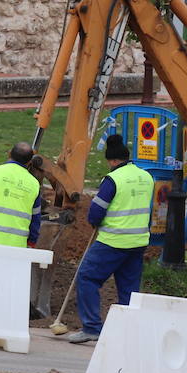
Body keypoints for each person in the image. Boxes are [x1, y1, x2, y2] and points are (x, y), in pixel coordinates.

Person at [67, 133, 154, 344]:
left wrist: (94, 222)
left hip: (113, 241)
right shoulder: (146, 177)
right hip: (138, 242)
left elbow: (96, 211)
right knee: (129, 289)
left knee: (87, 277)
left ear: (113, 161)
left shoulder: (113, 179)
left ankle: (92, 328)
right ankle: (128, 333)